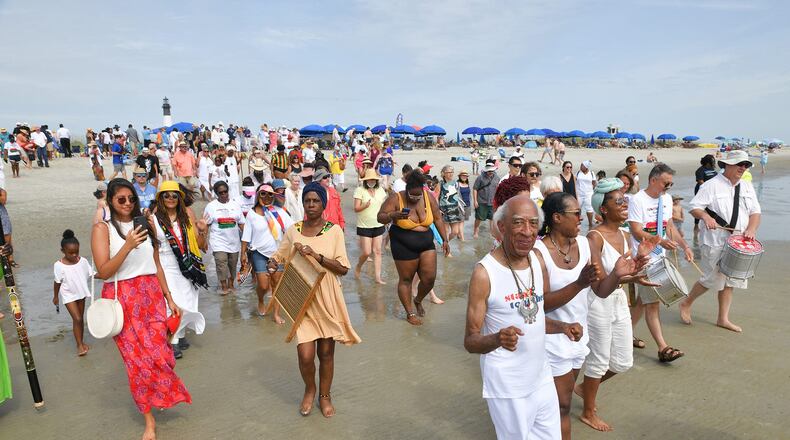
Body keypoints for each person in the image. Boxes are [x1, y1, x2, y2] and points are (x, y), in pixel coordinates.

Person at [463, 194, 583, 440]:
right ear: (502, 227)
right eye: (518, 223)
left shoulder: (537, 262)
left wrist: (563, 326)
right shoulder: (485, 273)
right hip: (508, 386)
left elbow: (533, 320)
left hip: (541, 376)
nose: (526, 232)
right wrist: (498, 339)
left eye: (532, 224)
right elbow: (470, 341)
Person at [91, 178, 190, 439]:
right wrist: (127, 245)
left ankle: (158, 394)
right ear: (110, 201)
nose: (127, 204)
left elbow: (156, 264)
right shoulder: (103, 229)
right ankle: (149, 420)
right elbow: (103, 271)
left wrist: (169, 297)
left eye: (132, 199)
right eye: (121, 199)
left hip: (152, 296)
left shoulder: (146, 224)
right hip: (123, 299)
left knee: (163, 357)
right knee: (137, 365)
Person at [268, 181, 361, 418]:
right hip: (303, 299)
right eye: (307, 201)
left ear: (323, 204)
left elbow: (343, 269)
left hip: (327, 298)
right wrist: (272, 263)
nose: (311, 205)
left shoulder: (334, 231)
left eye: (315, 201)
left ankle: (325, 395)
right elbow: (280, 254)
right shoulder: (293, 230)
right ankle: (310, 389)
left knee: (326, 353)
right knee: (305, 355)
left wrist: (317, 256)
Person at [578, 178, 657, 432]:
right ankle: (588, 412)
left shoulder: (623, 235)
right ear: (603, 208)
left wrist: (639, 263)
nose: (626, 204)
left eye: (626, 200)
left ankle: (585, 388)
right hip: (598, 302)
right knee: (599, 359)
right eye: (619, 201)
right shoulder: (594, 237)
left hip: (619, 299)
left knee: (623, 361)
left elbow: (623, 271)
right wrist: (628, 275)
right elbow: (599, 285)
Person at [535, 192, 605, 439]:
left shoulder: (587, 244)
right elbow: (540, 304)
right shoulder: (538, 252)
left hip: (578, 336)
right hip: (551, 337)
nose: (580, 218)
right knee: (561, 405)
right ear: (556, 218)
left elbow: (601, 288)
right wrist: (579, 283)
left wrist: (622, 274)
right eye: (575, 214)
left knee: (554, 402)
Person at [680, 150, 761, 333]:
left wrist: (751, 229)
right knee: (712, 278)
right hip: (714, 240)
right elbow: (694, 207)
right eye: (740, 164)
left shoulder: (747, 186)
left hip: (738, 241)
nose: (743, 168)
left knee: (731, 279)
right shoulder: (711, 185)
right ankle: (686, 303)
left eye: (746, 165)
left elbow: (755, 212)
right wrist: (706, 217)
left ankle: (722, 318)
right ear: (727, 164)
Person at [628, 163, 693, 362]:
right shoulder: (637, 200)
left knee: (642, 301)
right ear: (653, 180)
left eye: (671, 184)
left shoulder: (666, 199)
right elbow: (636, 231)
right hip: (644, 258)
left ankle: (623, 335)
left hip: (661, 258)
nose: (668, 188)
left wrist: (685, 246)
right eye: (666, 183)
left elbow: (670, 226)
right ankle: (662, 348)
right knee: (653, 303)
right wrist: (658, 240)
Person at [377, 170, 449, 325]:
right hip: (403, 243)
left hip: (426, 243)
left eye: (418, 195)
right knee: (406, 280)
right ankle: (409, 313)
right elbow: (380, 217)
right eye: (412, 195)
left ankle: (418, 300)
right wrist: (392, 216)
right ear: (407, 189)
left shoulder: (428, 197)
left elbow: (437, 218)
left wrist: (445, 240)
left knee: (429, 279)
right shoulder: (395, 198)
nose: (415, 198)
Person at [151, 181, 209, 359]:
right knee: (173, 303)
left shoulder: (185, 218)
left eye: (174, 195)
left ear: (179, 199)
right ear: (160, 198)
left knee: (188, 301)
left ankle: (181, 333)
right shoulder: (153, 219)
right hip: (165, 264)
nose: (170, 198)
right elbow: (151, 247)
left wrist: (202, 231)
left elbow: (200, 246)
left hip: (187, 265)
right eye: (166, 195)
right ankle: (173, 341)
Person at [240, 183, 294, 321]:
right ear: (258, 195)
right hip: (259, 253)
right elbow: (246, 235)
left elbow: (293, 229)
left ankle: (276, 314)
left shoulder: (279, 212)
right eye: (263, 194)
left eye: (270, 194)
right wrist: (243, 254)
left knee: (277, 284)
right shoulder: (252, 214)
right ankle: (260, 300)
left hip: (277, 254)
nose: (266, 197)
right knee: (263, 286)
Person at [53, 229, 93, 356]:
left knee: (80, 320)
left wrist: (106, 274)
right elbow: (57, 282)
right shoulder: (58, 265)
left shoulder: (83, 261)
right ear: (63, 251)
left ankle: (81, 341)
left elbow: (91, 274)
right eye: (71, 253)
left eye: (76, 252)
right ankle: (79, 345)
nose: (74, 255)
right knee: (77, 317)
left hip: (81, 292)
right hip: (68, 294)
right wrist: (55, 297)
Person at [204, 181, 245, 296]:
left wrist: (249, 240)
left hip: (234, 242)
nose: (223, 194)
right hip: (218, 243)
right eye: (220, 193)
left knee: (233, 264)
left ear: (228, 191)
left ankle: (231, 285)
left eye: (225, 192)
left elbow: (242, 224)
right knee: (221, 264)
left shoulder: (235, 205)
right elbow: (205, 225)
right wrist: (204, 241)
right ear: (217, 194)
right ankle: (223, 286)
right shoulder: (211, 207)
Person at [353, 169, 388, 284]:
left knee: (377, 251)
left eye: (373, 179)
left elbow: (384, 205)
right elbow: (356, 208)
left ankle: (378, 278)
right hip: (364, 225)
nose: (371, 181)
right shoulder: (360, 190)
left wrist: (386, 218)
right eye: (369, 179)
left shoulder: (380, 190)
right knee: (367, 252)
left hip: (378, 224)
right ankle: (358, 266)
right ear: (365, 180)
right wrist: (364, 205)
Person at [437, 165, 465, 251]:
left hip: (454, 209)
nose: (450, 174)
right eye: (448, 172)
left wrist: (461, 208)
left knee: (455, 232)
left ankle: (444, 243)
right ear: (444, 173)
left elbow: (458, 197)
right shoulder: (440, 184)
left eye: (452, 172)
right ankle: (447, 251)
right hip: (444, 210)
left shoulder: (456, 183)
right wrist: (438, 209)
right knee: (446, 231)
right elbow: (436, 197)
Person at [472, 161, 500, 238]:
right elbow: (475, 189)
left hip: (492, 202)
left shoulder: (497, 178)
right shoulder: (480, 177)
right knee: (479, 218)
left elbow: (498, 189)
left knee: (492, 218)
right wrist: (475, 201)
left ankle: (492, 232)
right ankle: (475, 231)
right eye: (489, 171)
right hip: (481, 201)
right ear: (486, 170)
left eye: (491, 171)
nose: (490, 172)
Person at [693, 154, 718, 233]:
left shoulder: (713, 170)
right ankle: (696, 225)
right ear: (707, 162)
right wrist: (708, 190)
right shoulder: (700, 170)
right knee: (700, 207)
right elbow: (701, 181)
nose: (714, 162)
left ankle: (711, 223)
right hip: (702, 191)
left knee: (712, 207)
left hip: (713, 191)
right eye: (712, 161)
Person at [576, 160, 597, 228]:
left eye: (582, 165)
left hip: (588, 194)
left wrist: (591, 190)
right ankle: (577, 221)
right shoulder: (578, 172)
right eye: (581, 165)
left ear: (586, 167)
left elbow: (594, 182)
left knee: (589, 209)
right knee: (578, 208)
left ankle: (590, 223)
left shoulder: (591, 173)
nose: (580, 166)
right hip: (579, 193)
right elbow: (574, 180)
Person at [457, 169, 472, 234]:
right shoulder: (457, 184)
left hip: (467, 205)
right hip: (460, 206)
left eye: (465, 176)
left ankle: (458, 234)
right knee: (461, 221)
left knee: (462, 221)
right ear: (460, 176)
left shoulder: (467, 184)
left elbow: (469, 195)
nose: (464, 177)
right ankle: (462, 239)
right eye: (463, 176)